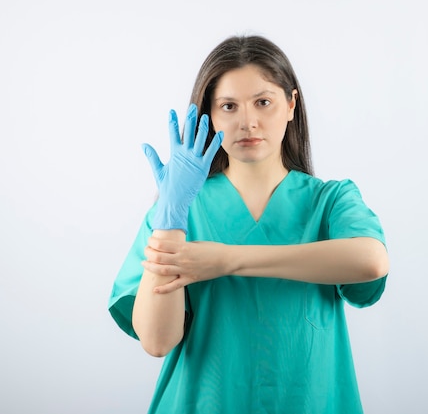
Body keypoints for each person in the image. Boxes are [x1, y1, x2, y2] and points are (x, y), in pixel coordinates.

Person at [108, 34, 389, 414]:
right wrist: (170, 218)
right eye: (228, 106)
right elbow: (157, 341)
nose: (248, 122)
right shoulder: (178, 213)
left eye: (263, 102)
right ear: (209, 115)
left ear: (291, 105)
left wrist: (227, 260)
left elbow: (371, 261)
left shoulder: (330, 201)